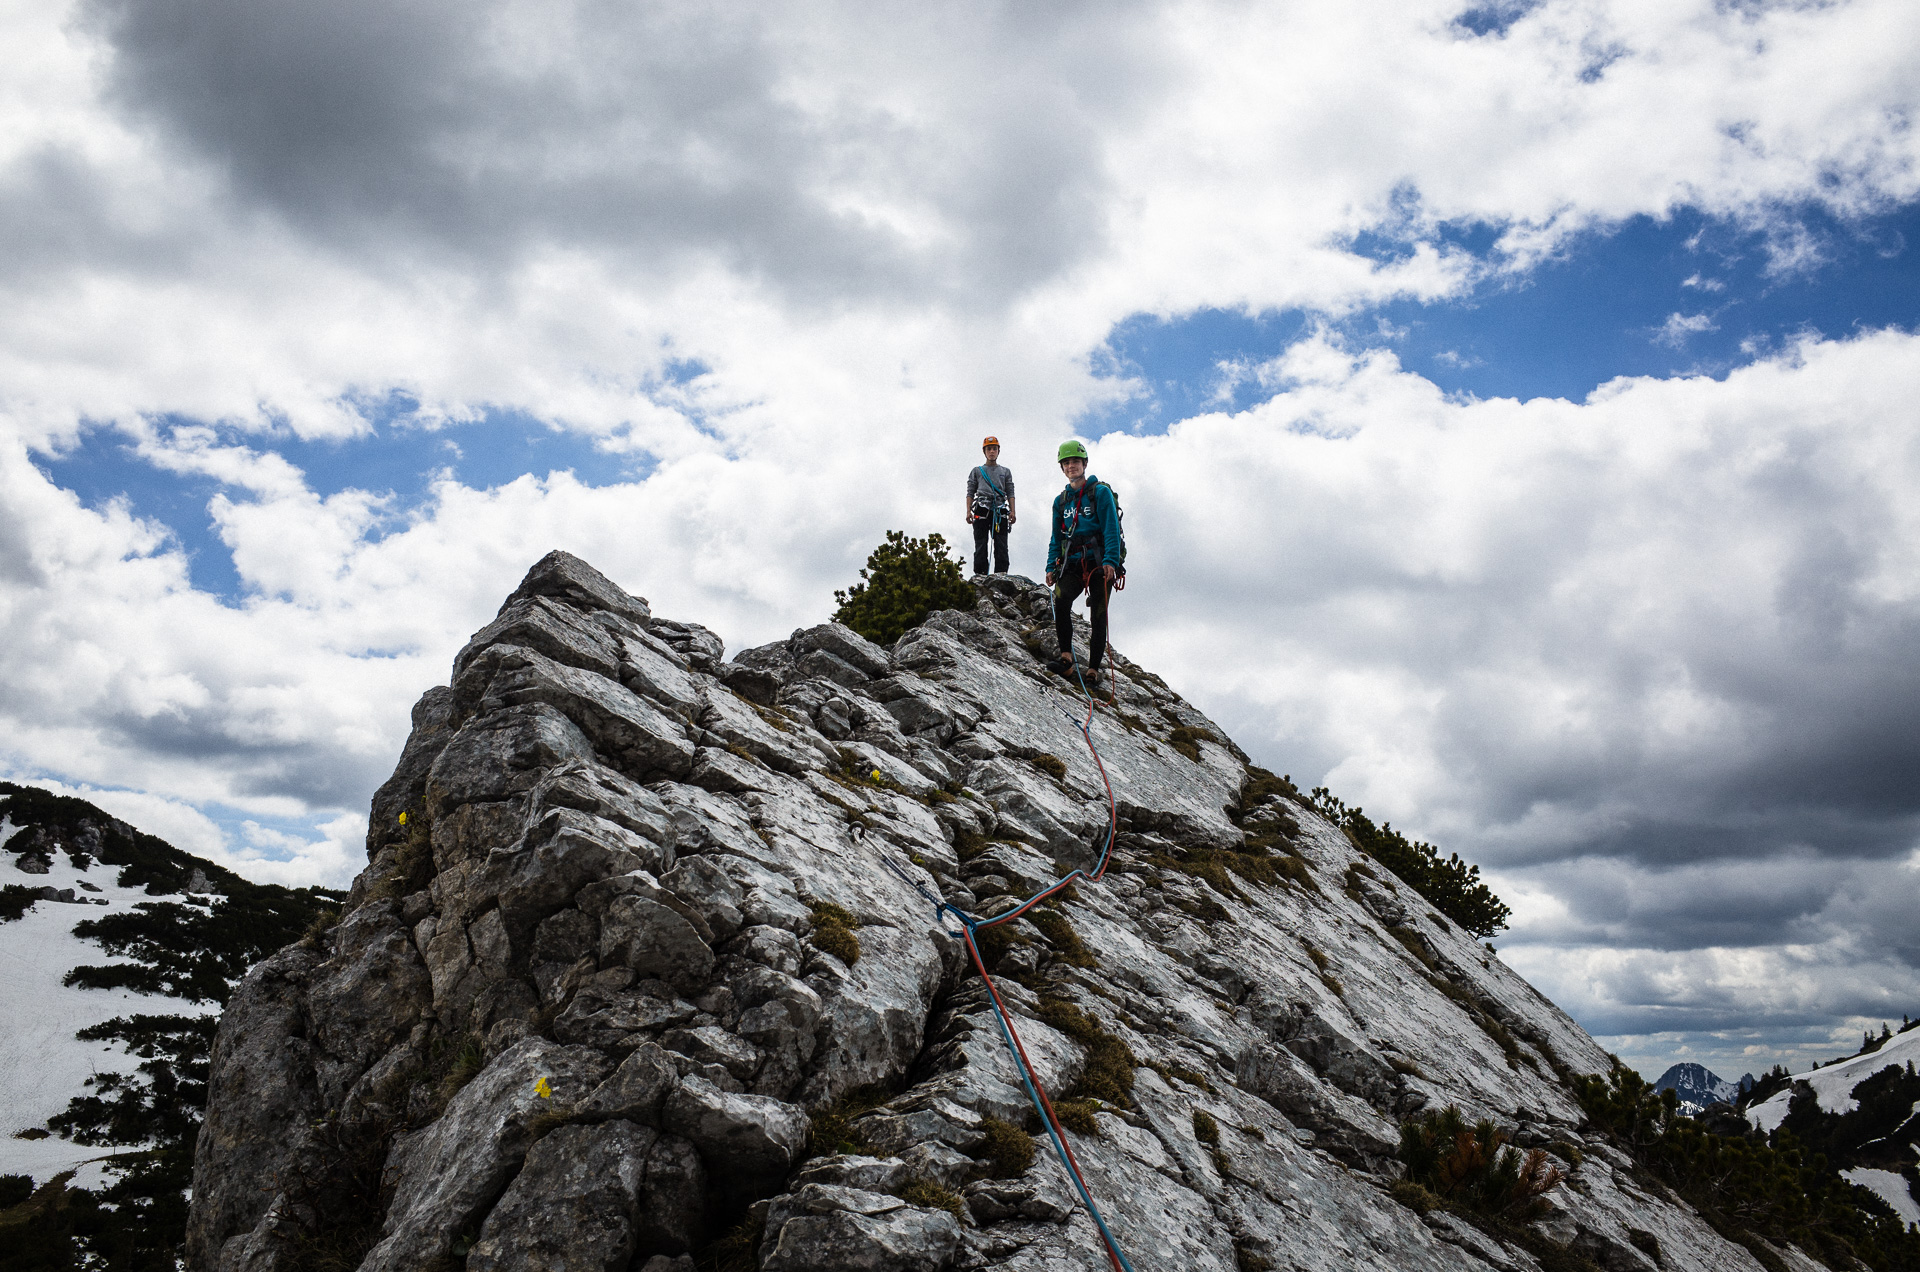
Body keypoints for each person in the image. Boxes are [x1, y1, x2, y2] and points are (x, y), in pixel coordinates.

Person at [1044, 439, 1124, 685]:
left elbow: (1111, 528)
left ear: (1085, 463)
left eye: (1075, 461)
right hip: (1073, 563)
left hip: (1099, 562)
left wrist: (1111, 560)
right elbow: (1056, 537)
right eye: (1066, 463)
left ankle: (1093, 669)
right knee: (1061, 599)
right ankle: (1067, 658)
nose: (1071, 466)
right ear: (1062, 468)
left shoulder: (1100, 492)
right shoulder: (1061, 501)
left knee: (1098, 613)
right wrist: (1050, 565)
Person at [966, 436, 1016, 575]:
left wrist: (1013, 511)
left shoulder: (1005, 472)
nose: (992, 452)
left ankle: (1001, 573)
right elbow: (970, 492)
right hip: (982, 508)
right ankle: (980, 574)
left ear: (998, 451)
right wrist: (968, 511)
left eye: (994, 448)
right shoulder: (977, 471)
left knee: (1001, 545)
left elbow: (1010, 491)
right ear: (984, 451)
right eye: (989, 449)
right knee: (981, 544)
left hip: (1000, 510)